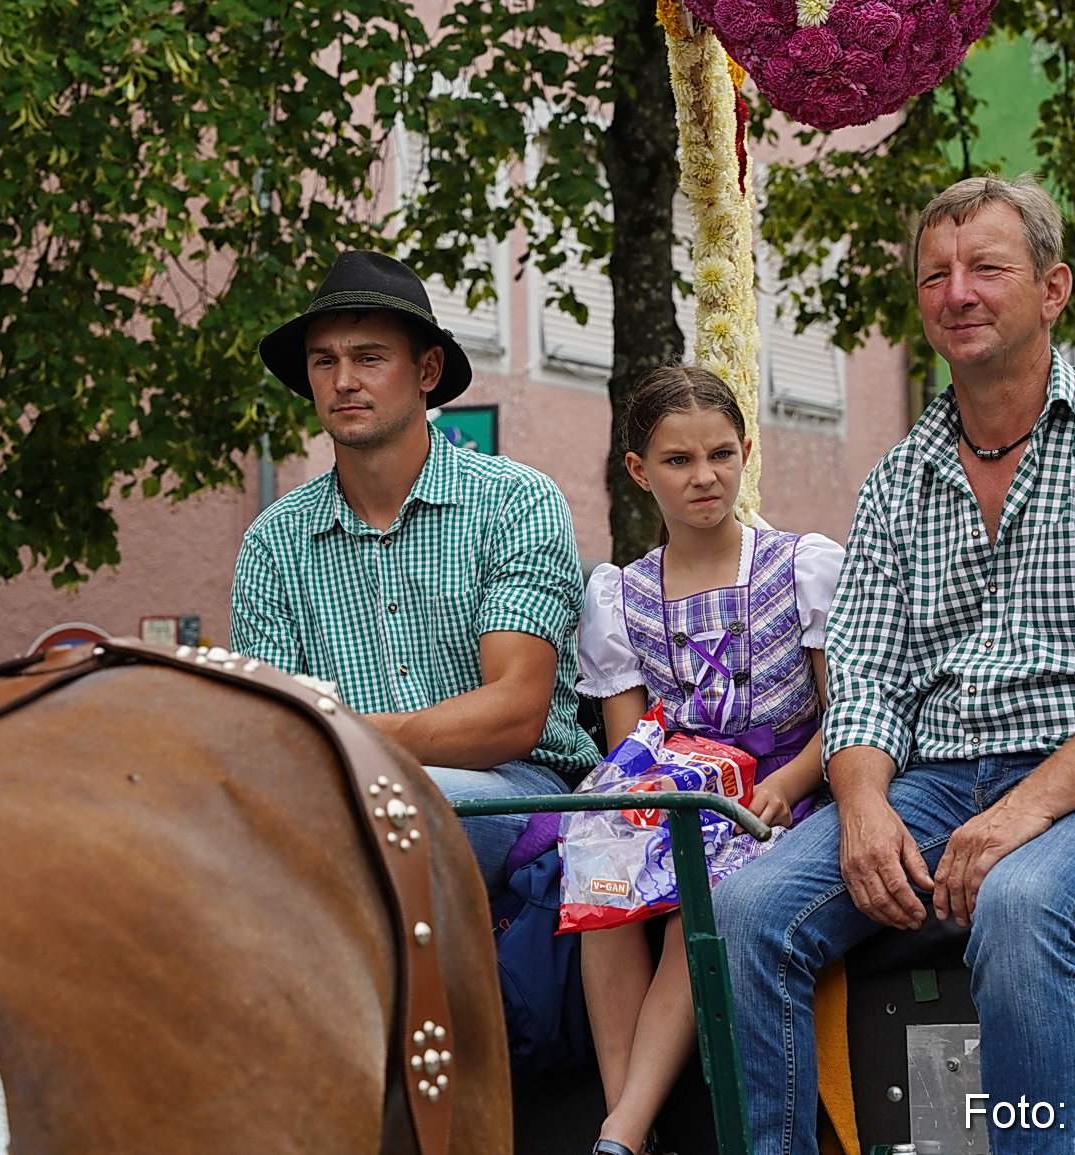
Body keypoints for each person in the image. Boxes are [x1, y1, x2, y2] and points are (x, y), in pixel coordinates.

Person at [713, 174, 1075, 1155]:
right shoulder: (898, 481)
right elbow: (863, 679)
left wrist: (1019, 815)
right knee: (747, 909)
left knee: (1021, 900)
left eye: (987, 268)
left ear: (1052, 289)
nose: (958, 293)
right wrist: (862, 811)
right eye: (936, 276)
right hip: (939, 787)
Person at [231, 250, 600, 889]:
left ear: (428, 369)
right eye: (325, 361)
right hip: (334, 799)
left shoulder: (514, 500)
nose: (344, 380)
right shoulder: (273, 541)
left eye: (369, 358)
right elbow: (274, 734)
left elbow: (514, 715)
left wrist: (354, 742)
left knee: (379, 812)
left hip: (520, 792)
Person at [574, 366, 844, 1155]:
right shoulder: (620, 597)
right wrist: (638, 816)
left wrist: (790, 783)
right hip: (685, 791)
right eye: (679, 461)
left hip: (789, 791)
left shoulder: (800, 567)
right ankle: (633, 1120)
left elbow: (846, 717)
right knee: (602, 867)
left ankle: (619, 1129)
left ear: (746, 452)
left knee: (705, 881)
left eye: (722, 455)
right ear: (638, 470)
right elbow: (633, 754)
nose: (706, 477)